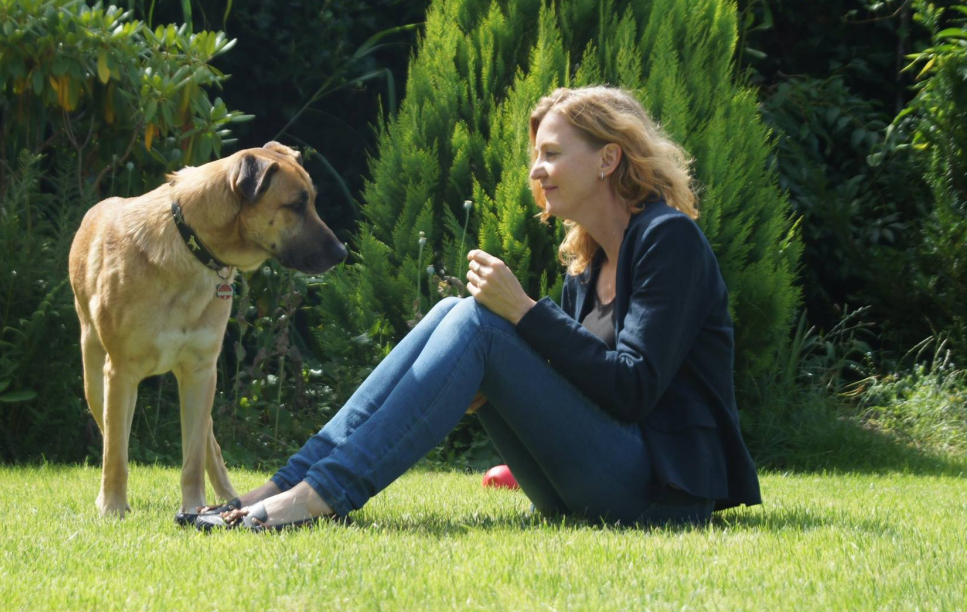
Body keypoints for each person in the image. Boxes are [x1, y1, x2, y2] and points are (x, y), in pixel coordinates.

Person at [193, 84, 762, 531]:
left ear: (608, 158)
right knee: (454, 312)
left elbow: (634, 389)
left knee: (477, 321)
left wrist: (525, 312)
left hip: (660, 492)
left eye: (553, 154)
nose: (536, 171)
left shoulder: (669, 239)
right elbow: (577, 379)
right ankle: (281, 487)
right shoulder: (586, 263)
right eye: (536, 156)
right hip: (591, 482)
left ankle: (319, 496)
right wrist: (493, 383)